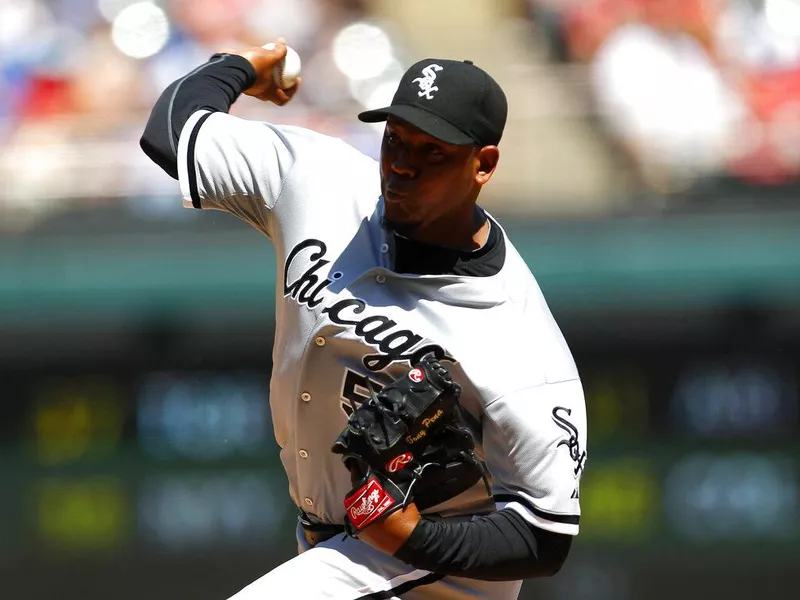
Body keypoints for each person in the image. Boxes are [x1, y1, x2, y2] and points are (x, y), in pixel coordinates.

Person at [140, 39, 588, 600]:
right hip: (333, 543)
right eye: (395, 140)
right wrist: (240, 67)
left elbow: (543, 537)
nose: (402, 165)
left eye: (433, 153)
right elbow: (173, 132)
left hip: (445, 567)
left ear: (484, 164)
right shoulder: (319, 180)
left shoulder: (515, 335)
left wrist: (411, 537)